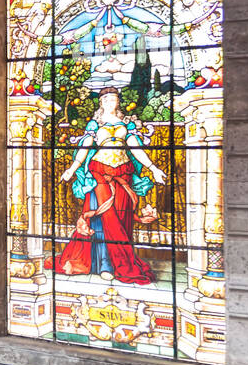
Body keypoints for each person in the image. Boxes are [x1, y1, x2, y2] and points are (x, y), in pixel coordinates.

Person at [52, 89, 167, 285]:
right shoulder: (94, 124)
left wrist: (153, 168)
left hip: (123, 175)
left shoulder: (126, 125)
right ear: (101, 103)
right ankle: (105, 264)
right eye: (106, 99)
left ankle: (118, 263)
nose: (110, 101)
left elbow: (135, 148)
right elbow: (85, 147)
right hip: (100, 175)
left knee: (121, 220)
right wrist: (72, 168)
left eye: (113, 98)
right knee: (103, 220)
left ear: (118, 102)